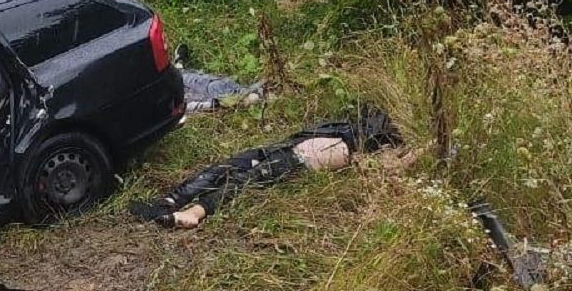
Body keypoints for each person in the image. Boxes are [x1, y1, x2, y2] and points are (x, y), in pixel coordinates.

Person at [130, 106, 402, 229]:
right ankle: (169, 201)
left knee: (244, 180)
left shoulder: (379, 145)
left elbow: (389, 167)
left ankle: (193, 213)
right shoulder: (356, 125)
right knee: (227, 165)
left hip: (297, 161)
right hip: (285, 147)